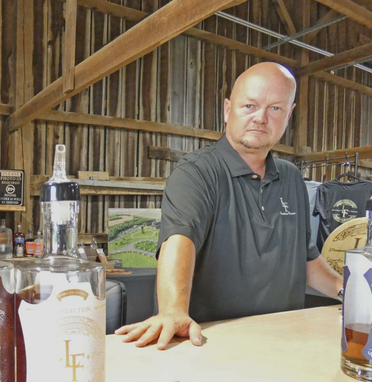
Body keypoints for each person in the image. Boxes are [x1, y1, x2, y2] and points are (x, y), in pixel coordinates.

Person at [116, 62, 343, 349]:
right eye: (250, 105)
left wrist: (349, 290)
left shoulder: (291, 178)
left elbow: (306, 258)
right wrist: (173, 310)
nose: (261, 118)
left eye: (275, 108)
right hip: (213, 343)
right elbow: (180, 239)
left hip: (287, 341)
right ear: (227, 110)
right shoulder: (196, 172)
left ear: (289, 115)